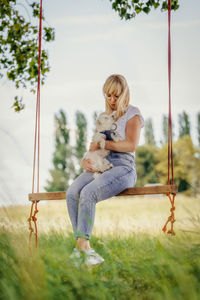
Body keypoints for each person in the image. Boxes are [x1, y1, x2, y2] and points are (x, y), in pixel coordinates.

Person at [66, 74, 144, 267]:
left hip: (123, 168)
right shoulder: (104, 118)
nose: (112, 100)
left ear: (124, 93)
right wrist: (87, 160)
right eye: (108, 96)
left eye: (116, 96)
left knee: (89, 193)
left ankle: (81, 250)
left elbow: (131, 145)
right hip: (102, 164)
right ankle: (84, 248)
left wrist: (105, 142)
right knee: (72, 193)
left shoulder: (133, 114)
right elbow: (95, 146)